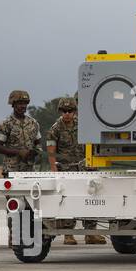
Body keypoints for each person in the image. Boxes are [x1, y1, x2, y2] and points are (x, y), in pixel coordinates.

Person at [47, 97, 102, 245]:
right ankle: (68, 234)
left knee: (91, 199)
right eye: (64, 111)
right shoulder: (55, 129)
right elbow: (51, 151)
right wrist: (54, 169)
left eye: (70, 111)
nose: (67, 114)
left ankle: (91, 233)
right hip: (66, 170)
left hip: (85, 168)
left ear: (74, 111)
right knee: (67, 200)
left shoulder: (83, 125)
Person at [0, 90, 40, 177]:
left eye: (25, 103)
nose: (23, 106)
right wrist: (18, 152)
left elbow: (38, 143)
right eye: (20, 103)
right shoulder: (6, 123)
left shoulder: (33, 123)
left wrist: (36, 152)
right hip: (11, 170)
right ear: (13, 104)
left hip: (29, 170)